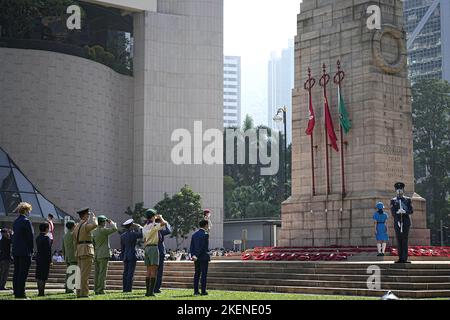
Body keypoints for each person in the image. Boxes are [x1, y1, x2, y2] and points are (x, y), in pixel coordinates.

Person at [73, 207, 98, 298]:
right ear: (84, 215)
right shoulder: (85, 225)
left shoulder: (76, 227)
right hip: (86, 250)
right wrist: (95, 219)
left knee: (80, 273)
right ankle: (84, 294)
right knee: (85, 274)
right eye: (88, 214)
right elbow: (95, 225)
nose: (89, 215)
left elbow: (74, 241)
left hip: (79, 250)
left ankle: (79, 293)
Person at [12, 202, 34, 299]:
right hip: (25, 251)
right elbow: (30, 237)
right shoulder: (26, 221)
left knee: (16, 272)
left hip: (16, 251)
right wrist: (31, 250)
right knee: (23, 273)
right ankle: (21, 294)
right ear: (25, 210)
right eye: (29, 210)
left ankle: (16, 292)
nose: (29, 212)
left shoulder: (16, 221)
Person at [142, 209, 166, 297]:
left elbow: (144, 239)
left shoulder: (144, 226)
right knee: (154, 270)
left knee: (148, 270)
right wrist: (160, 217)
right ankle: (151, 292)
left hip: (147, 248)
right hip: (153, 247)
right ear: (152, 216)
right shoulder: (153, 225)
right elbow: (164, 224)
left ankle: (147, 291)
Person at [92, 215, 118, 295]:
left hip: (96, 254)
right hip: (103, 254)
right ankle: (100, 290)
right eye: (104, 221)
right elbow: (115, 229)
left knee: (97, 273)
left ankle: (96, 289)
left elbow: (93, 244)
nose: (105, 223)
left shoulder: (94, 231)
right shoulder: (103, 230)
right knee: (102, 273)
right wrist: (111, 222)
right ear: (102, 222)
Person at [390, 182, 413, 264]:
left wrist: (405, 211)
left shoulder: (407, 200)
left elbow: (411, 210)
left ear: (403, 190)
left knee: (405, 240)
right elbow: (392, 212)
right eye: (398, 190)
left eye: (401, 189)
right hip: (398, 222)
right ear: (396, 191)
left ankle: (405, 258)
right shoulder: (393, 200)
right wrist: (397, 212)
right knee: (399, 240)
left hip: (406, 222)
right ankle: (400, 258)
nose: (399, 191)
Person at [120, 219, 143, 293]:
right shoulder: (133, 234)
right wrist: (139, 227)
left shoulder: (122, 235)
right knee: (130, 273)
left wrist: (123, 256)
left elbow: (122, 248)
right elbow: (142, 234)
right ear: (131, 226)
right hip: (132, 255)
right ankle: (128, 289)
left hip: (126, 255)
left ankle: (124, 289)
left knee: (125, 273)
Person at [190, 220, 211, 296]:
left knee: (197, 274)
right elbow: (203, 247)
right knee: (203, 275)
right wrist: (197, 255)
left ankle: (196, 291)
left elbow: (191, 247)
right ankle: (203, 291)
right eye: (207, 225)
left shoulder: (194, 235)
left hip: (196, 258)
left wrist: (193, 255)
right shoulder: (206, 234)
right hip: (203, 257)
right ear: (205, 225)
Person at [154, 213, 172, 293]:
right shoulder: (159, 232)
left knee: (154, 271)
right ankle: (156, 288)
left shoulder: (153, 230)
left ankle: (153, 287)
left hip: (154, 252)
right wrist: (164, 220)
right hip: (159, 252)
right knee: (159, 271)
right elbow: (169, 230)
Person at [35, 222, 52, 297]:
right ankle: (41, 293)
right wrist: (50, 260)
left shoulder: (38, 237)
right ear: (46, 229)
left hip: (39, 258)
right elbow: (48, 250)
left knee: (39, 276)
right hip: (45, 259)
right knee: (43, 277)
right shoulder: (46, 238)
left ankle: (39, 292)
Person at [62, 220, 77, 293]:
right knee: (73, 273)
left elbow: (63, 248)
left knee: (68, 273)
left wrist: (65, 256)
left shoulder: (65, 235)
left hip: (67, 257)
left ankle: (67, 287)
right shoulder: (73, 234)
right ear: (73, 226)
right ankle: (70, 289)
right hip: (73, 257)